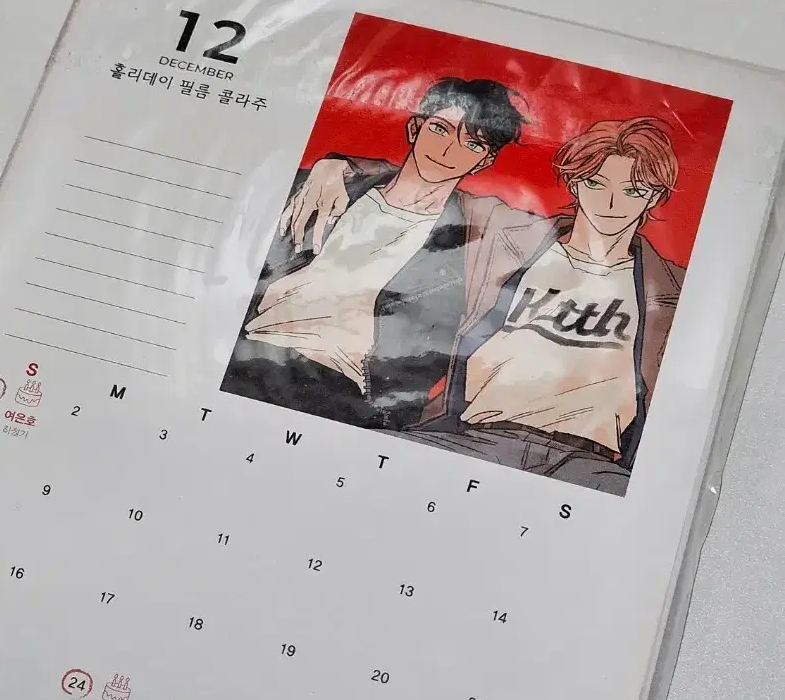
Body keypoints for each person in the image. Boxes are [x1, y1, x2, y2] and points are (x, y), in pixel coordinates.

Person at [284, 117, 684, 494]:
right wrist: (340, 166)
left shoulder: (672, 287)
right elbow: (430, 179)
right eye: (596, 183)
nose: (612, 203)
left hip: (587, 464)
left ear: (655, 197)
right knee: (350, 467)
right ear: (575, 184)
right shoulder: (510, 235)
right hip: (476, 437)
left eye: (634, 191)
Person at [219, 77, 526, 428]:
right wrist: (337, 165)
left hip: (339, 389)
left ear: (484, 161)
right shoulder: (326, 187)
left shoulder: (479, 234)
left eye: (471, 144)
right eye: (440, 129)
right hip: (247, 353)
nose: (448, 151)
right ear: (415, 127)